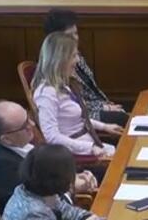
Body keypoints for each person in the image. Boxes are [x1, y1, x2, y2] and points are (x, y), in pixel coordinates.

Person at [0, 99, 97, 211]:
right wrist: (71, 186)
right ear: (7, 139)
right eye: (25, 125)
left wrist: (75, 176)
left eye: (29, 118)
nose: (32, 124)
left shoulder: (20, 144)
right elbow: (38, 205)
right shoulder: (2, 167)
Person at [33, 31, 120, 159]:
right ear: (60, 59)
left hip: (90, 145)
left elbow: (81, 118)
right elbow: (51, 136)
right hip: (75, 155)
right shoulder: (46, 93)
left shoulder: (65, 85)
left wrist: (105, 127)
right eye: (73, 56)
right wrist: (90, 148)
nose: (78, 60)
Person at [43, 8, 128, 127]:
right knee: (123, 118)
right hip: (82, 113)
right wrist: (104, 107)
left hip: (97, 104)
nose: (75, 38)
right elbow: (72, 102)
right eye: (70, 35)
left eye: (76, 33)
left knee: (128, 111)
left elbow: (91, 89)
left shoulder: (76, 55)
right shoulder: (55, 67)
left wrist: (106, 104)